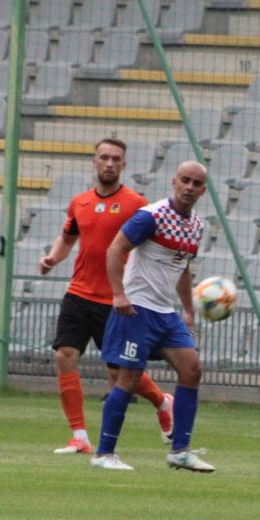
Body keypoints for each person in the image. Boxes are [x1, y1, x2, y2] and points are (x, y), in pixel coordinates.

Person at [37, 138, 174, 455]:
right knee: (64, 355)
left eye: (115, 159)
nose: (109, 163)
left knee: (118, 372)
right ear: (94, 162)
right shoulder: (80, 202)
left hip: (116, 299)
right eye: (104, 157)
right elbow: (67, 238)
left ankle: (163, 401)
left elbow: (151, 247)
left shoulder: (137, 204)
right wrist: (52, 258)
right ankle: (79, 436)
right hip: (78, 293)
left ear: (123, 165)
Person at [90, 160, 214, 473]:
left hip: (165, 312)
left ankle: (180, 451)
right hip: (137, 308)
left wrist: (188, 310)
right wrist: (119, 294)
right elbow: (115, 249)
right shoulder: (151, 216)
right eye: (185, 180)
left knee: (192, 369)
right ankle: (104, 453)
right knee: (129, 378)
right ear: (174, 182)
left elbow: (182, 267)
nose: (189, 187)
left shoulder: (196, 226)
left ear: (203, 190)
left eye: (196, 183)